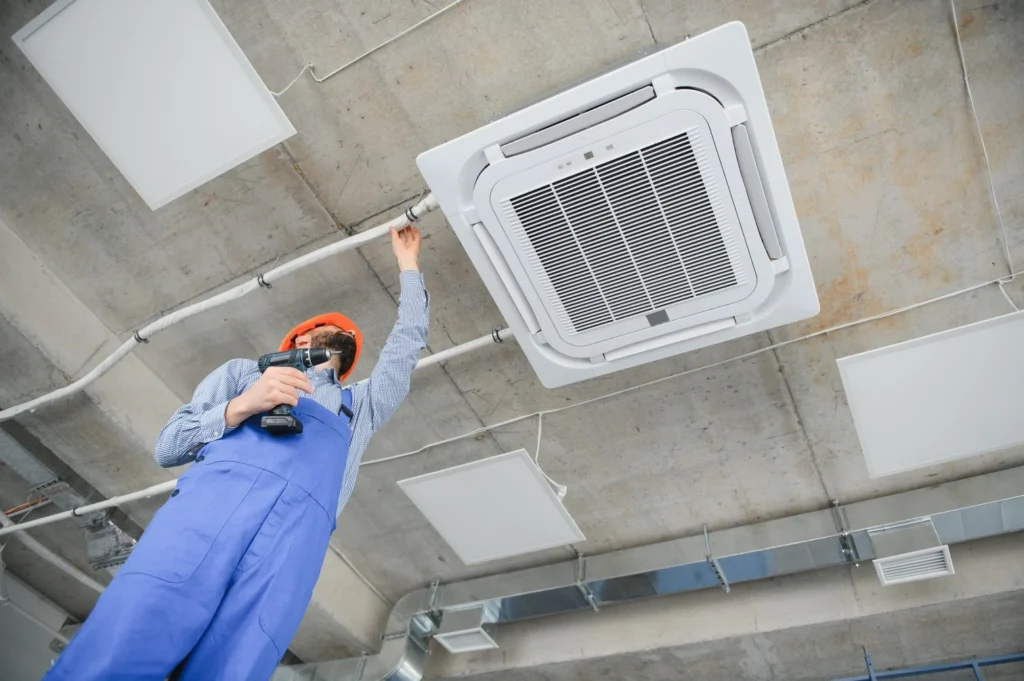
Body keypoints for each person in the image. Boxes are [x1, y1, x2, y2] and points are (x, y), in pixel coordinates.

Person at [45, 226, 429, 681]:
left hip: (293, 545)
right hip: (210, 512)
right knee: (135, 629)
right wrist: (242, 406)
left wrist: (408, 266)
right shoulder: (243, 374)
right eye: (317, 330)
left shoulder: (360, 406)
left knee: (236, 665)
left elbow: (404, 347)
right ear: (296, 344)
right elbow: (169, 447)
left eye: (338, 334)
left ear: (346, 355)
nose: (330, 332)